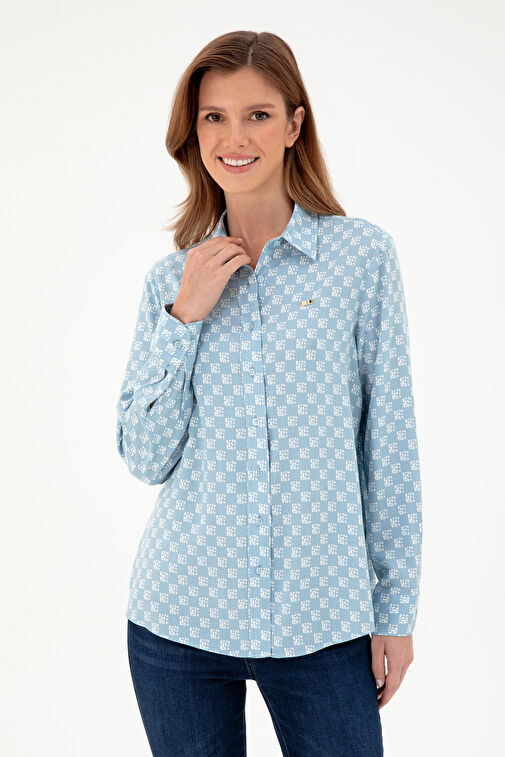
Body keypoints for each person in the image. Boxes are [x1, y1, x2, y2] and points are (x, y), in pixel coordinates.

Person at [115, 30, 423, 757]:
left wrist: (395, 611)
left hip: (323, 623)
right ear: (194, 133)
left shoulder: (361, 258)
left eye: (257, 114)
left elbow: (390, 445)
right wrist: (185, 316)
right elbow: (144, 456)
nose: (235, 137)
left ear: (293, 125)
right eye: (214, 117)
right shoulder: (171, 282)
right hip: (178, 620)